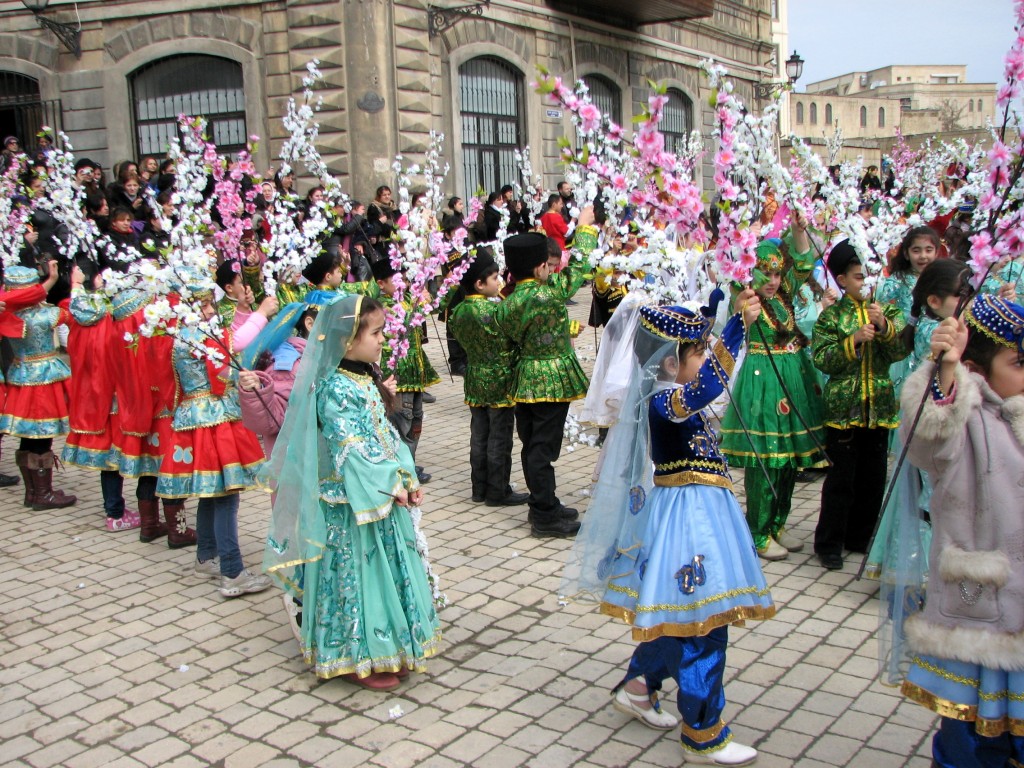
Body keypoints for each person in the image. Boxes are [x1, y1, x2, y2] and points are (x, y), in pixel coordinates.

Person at [564, 289, 771, 766]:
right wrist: (737, 328)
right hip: (688, 522)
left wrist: (732, 316)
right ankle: (703, 732)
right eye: (699, 352)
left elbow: (706, 384)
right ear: (670, 363)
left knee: (677, 614)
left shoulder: (669, 395)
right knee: (703, 623)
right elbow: (707, 388)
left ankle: (639, 686)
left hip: (700, 514)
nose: (706, 358)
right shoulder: (664, 402)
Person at [263, 294, 443, 690]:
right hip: (348, 504)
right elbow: (351, 448)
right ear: (347, 340)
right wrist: (389, 482)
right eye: (376, 333)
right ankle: (356, 656)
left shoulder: (362, 378)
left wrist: (405, 476)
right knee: (357, 579)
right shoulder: (333, 387)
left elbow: (385, 436)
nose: (383, 340)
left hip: (378, 496)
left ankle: (389, 647)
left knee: (383, 576)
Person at [898, 293, 1024, 767]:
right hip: (983, 611)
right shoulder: (967, 418)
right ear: (977, 368)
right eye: (1019, 363)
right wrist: (945, 370)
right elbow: (926, 439)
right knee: (972, 738)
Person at [157, 278, 277, 597]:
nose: (211, 310)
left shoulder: (179, 334)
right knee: (226, 494)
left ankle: (206, 556)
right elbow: (235, 343)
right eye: (205, 304)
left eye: (211, 303)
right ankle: (232, 572)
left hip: (194, 419)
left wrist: (246, 311)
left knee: (210, 492)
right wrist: (261, 313)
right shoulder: (198, 336)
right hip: (213, 421)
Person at [720, 225, 826, 561]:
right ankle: (758, 531)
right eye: (765, 273)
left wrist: (799, 230)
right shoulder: (745, 296)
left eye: (777, 274)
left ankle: (778, 523)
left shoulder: (783, 295)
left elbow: (804, 262)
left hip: (793, 378)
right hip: (763, 382)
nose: (772, 280)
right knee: (767, 457)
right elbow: (735, 314)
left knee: (789, 458)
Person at [811, 240, 910, 570]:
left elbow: (900, 351)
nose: (864, 282)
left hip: (878, 406)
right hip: (843, 409)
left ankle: (860, 536)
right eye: (857, 277)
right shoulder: (832, 317)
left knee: (873, 478)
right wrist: (852, 340)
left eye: (867, 276)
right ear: (841, 280)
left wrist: (884, 328)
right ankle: (829, 543)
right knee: (840, 480)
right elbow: (822, 358)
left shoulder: (887, 312)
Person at [494, 233, 588, 537]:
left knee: (532, 444)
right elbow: (575, 275)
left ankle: (543, 503)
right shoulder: (547, 294)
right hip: (552, 381)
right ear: (539, 268)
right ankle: (545, 516)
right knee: (542, 450)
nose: (552, 270)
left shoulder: (506, 303)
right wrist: (585, 233)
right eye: (549, 266)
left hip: (524, 379)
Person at [447, 251, 528, 507]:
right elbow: (514, 341)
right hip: (499, 380)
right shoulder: (496, 311)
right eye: (494, 278)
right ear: (479, 284)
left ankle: (479, 488)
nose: (499, 282)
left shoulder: (458, 311)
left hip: (474, 378)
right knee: (499, 438)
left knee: (479, 435)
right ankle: (498, 491)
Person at [0, 264, 77, 510]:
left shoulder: (7, 316)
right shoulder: (46, 316)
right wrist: (75, 285)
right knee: (42, 437)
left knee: (27, 437)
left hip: (20, 377)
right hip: (45, 380)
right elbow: (74, 312)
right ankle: (44, 494)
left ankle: (32, 493)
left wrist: (51, 279)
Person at [374, 259, 438, 484]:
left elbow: (430, 308)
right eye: (397, 280)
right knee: (401, 423)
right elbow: (406, 321)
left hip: (415, 374)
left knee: (415, 422)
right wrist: (420, 304)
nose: (404, 284)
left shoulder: (408, 298)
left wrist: (428, 298)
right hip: (398, 376)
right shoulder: (383, 306)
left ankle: (409, 463)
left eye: (405, 279)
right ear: (381, 284)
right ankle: (401, 470)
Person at [876, 226, 941, 395]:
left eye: (928, 250)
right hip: (905, 342)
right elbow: (879, 301)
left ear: (936, 252)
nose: (923, 256)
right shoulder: (900, 279)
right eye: (916, 250)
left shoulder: (941, 279)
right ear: (906, 253)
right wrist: (899, 324)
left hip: (931, 341)